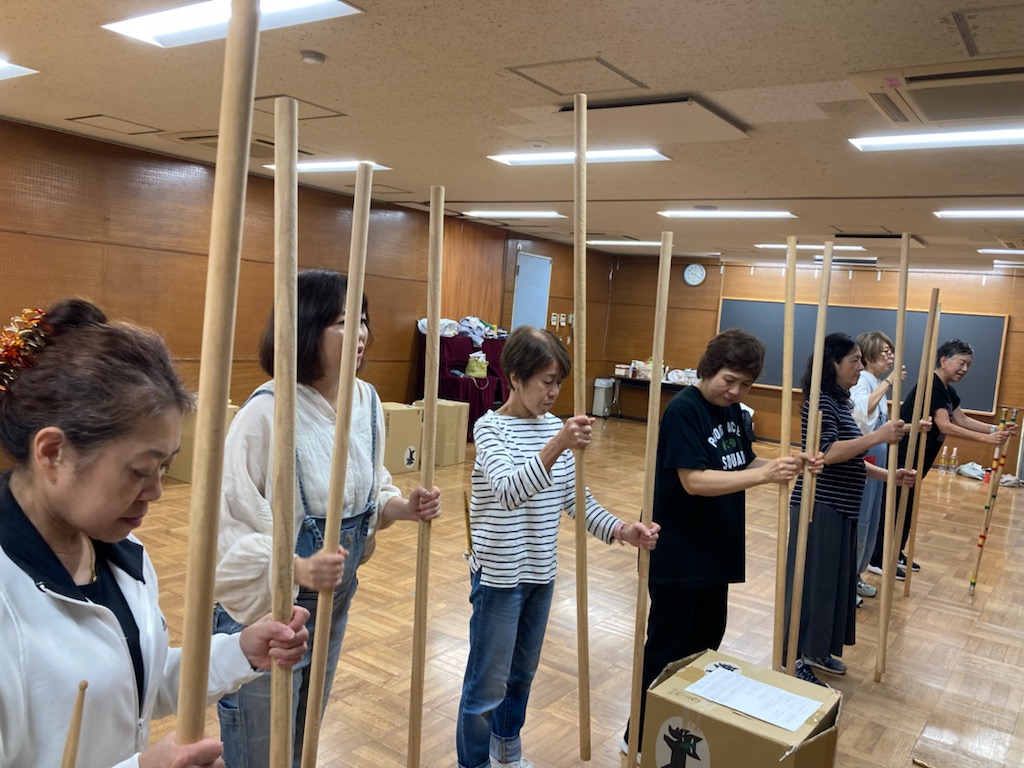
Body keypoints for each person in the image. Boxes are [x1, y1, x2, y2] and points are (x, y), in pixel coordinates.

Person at [0, 300, 310, 768]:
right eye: (140, 470)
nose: (157, 492)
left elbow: (134, 680)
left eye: (165, 467)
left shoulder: (120, 552)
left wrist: (239, 651)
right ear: (52, 453)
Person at [213, 269, 442, 767]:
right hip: (265, 611)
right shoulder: (266, 415)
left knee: (302, 739)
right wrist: (296, 568)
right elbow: (227, 534)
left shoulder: (366, 400)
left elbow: (371, 485)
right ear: (305, 327)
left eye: (362, 320)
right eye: (342, 321)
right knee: (261, 751)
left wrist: (403, 507)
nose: (359, 333)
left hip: (333, 605)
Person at [456, 326, 659, 768]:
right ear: (515, 377)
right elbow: (510, 491)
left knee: (521, 674)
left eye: (559, 383)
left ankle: (506, 750)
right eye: (546, 382)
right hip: (498, 575)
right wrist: (558, 443)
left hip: (540, 571)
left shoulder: (554, 429)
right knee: (487, 682)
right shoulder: (490, 429)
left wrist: (622, 530)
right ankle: (473, 763)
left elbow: (575, 500)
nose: (553, 392)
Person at [622, 328, 817, 758]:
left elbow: (741, 462)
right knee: (667, 648)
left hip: (715, 548)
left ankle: (678, 726)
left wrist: (784, 465)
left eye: (745, 384)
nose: (735, 391)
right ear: (709, 369)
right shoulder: (684, 409)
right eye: (729, 380)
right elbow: (693, 480)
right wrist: (764, 476)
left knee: (705, 645)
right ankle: (638, 734)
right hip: (677, 550)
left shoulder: (734, 413)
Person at [785, 333, 914, 686]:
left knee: (832, 584)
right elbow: (826, 453)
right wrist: (877, 436)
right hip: (819, 505)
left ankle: (816, 648)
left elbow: (851, 458)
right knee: (812, 583)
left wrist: (890, 476)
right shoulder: (820, 402)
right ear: (833, 364)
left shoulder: (840, 401)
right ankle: (793, 656)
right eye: (854, 360)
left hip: (842, 505)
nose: (860, 366)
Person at [867, 339, 1017, 580]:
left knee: (907, 506)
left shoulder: (947, 390)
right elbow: (945, 425)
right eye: (961, 363)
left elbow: (962, 420)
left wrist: (995, 430)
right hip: (905, 454)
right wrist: (987, 440)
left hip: (921, 459)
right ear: (944, 360)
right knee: (895, 505)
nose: (965, 369)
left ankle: (896, 551)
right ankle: (878, 559)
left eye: (968, 365)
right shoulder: (932, 386)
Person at [849, 331, 901, 602]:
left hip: (879, 459)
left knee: (873, 519)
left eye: (892, 351)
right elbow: (861, 414)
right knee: (862, 519)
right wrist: (890, 382)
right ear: (868, 355)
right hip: (865, 458)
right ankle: (848, 579)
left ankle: (858, 573)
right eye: (885, 351)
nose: (891, 356)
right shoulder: (862, 382)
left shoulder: (877, 383)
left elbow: (882, 425)